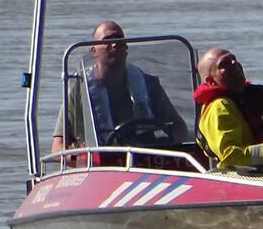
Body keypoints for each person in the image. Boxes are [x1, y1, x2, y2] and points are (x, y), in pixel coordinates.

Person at [51, 20, 187, 153]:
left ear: (126, 48)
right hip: (101, 164)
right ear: (93, 50)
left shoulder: (148, 84)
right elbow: (57, 147)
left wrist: (166, 146)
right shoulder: (79, 89)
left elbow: (180, 128)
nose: (115, 44)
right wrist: (83, 157)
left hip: (145, 159)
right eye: (108, 40)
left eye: (119, 39)